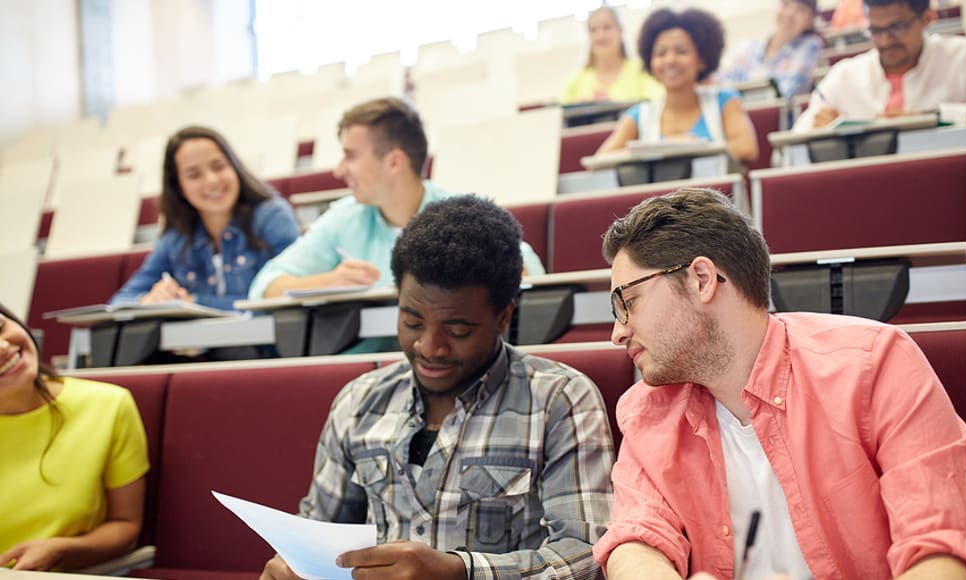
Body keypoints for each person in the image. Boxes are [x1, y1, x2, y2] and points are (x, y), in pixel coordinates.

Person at [590, 187, 966, 579]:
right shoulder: (646, 409)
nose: (617, 333)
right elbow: (636, 537)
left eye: (627, 302)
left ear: (701, 279)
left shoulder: (875, 364)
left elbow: (944, 550)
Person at [259, 195, 614, 580]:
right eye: (412, 322)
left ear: (504, 317)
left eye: (458, 330)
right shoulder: (359, 400)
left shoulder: (559, 399)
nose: (430, 347)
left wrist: (461, 572)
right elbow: (318, 530)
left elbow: (589, 555)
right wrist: (293, 564)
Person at [248, 97, 545, 300]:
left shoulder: (461, 214)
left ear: (394, 162)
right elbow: (264, 287)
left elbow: (528, 273)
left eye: (350, 156)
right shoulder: (344, 217)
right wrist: (328, 282)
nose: (339, 170)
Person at [0, 303, 149, 571]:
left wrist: (60, 550)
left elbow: (126, 527)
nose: (2, 347)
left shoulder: (109, 405)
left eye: (0, 327)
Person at [111, 125, 300, 309]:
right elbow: (120, 302)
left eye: (218, 167)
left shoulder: (272, 217)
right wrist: (151, 300)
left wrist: (195, 303)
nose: (211, 181)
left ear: (234, 167)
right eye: (194, 175)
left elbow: (289, 295)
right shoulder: (177, 235)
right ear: (178, 186)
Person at [794, 0, 966, 130]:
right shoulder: (844, 76)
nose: (885, 40)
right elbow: (792, 142)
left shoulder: (962, 58)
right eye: (876, 30)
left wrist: (936, 117)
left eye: (897, 27)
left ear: (927, 18)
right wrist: (818, 128)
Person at [596, 8, 759, 165]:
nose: (670, 60)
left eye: (681, 51)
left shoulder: (725, 101)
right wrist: (671, 145)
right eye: (661, 53)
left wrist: (686, 148)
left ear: (702, 59)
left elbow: (746, 149)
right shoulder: (639, 115)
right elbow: (600, 160)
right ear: (651, 63)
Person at [717, 0, 824, 99]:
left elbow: (789, 92)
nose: (790, 13)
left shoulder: (810, 46)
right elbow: (719, 81)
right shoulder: (747, 47)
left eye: (800, 10)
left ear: (810, 20)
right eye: (785, 5)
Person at [560, 6, 663, 104]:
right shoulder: (576, 81)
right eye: (593, 30)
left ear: (620, 30)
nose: (600, 35)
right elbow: (560, 115)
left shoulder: (642, 70)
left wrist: (612, 105)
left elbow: (657, 104)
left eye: (607, 27)